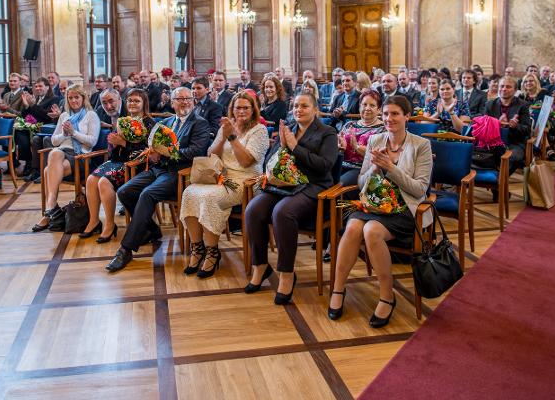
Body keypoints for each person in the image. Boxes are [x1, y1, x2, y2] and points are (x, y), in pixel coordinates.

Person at [328, 95, 433, 326]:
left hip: (406, 208)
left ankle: (387, 296)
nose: (388, 118)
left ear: (407, 116)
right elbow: (362, 181)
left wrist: (391, 168)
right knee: (354, 226)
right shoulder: (375, 141)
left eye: (395, 114)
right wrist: (375, 167)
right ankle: (337, 289)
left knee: (372, 231)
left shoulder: (421, 146)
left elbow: (419, 189)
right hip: (376, 203)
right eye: (385, 114)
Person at [244, 92, 337, 305]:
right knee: (253, 209)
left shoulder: (327, 132)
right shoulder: (289, 130)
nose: (298, 109)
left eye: (304, 106)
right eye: (295, 106)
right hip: (284, 185)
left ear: (315, 109)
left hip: (313, 186)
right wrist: (283, 145)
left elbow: (325, 166)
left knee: (282, 212)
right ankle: (260, 265)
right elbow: (270, 160)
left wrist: (295, 147)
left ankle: (287, 273)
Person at [106, 87, 211, 272]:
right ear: (172, 103)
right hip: (157, 168)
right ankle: (151, 230)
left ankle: (126, 249)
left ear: (193, 102)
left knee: (147, 195)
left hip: (179, 174)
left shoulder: (199, 123)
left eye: (188, 98)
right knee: (124, 191)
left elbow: (196, 151)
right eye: (179, 99)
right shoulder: (167, 122)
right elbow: (153, 143)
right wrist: (153, 152)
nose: (184, 102)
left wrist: (165, 153)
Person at [180, 92, 268, 278]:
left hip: (245, 181)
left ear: (253, 110)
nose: (242, 111)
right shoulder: (227, 126)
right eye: (238, 108)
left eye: (246, 107)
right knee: (189, 192)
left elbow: (246, 162)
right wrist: (222, 136)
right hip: (221, 177)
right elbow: (212, 154)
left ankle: (213, 252)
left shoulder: (259, 131)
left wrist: (232, 138)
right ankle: (198, 248)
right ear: (232, 110)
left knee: (209, 197)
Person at [82, 89, 155, 242]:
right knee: (91, 180)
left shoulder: (149, 122)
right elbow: (113, 154)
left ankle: (109, 224)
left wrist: (123, 143)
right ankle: (94, 220)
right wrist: (114, 145)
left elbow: (147, 152)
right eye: (130, 101)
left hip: (136, 165)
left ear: (144, 103)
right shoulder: (123, 121)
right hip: (118, 160)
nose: (132, 104)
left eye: (136, 101)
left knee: (104, 182)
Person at [32, 86, 100, 231]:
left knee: (46, 170)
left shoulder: (91, 115)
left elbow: (92, 141)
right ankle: (51, 207)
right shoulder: (64, 115)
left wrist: (73, 132)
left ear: (83, 98)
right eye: (70, 98)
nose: (74, 100)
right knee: (55, 153)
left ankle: (49, 210)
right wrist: (64, 134)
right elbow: (54, 140)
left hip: (81, 156)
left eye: (77, 97)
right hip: (62, 154)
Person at [14, 78, 61, 182]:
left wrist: (33, 105)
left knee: (35, 138)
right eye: (36, 86)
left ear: (47, 87)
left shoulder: (54, 99)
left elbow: (47, 117)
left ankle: (36, 168)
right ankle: (30, 165)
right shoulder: (35, 98)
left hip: (45, 128)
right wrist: (26, 106)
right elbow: (24, 116)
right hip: (33, 126)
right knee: (19, 131)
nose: (38, 88)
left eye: (40, 86)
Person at [336, 90, 385, 186]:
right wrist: (340, 147)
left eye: (372, 105)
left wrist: (356, 147)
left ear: (379, 109)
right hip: (340, 165)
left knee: (337, 185)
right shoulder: (349, 124)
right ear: (359, 107)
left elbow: (377, 157)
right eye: (364, 104)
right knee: (321, 180)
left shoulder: (383, 129)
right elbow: (339, 149)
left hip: (362, 170)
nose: (367, 108)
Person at [484, 76, 531, 172]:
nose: (504, 89)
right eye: (502, 86)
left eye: (508, 87)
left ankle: (499, 180)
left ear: (515, 90)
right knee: (478, 153)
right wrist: (497, 124)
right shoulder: (490, 104)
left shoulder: (523, 105)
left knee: (513, 157)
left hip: (514, 142)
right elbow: (484, 126)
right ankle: (497, 179)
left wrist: (514, 126)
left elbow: (527, 130)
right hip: (494, 141)